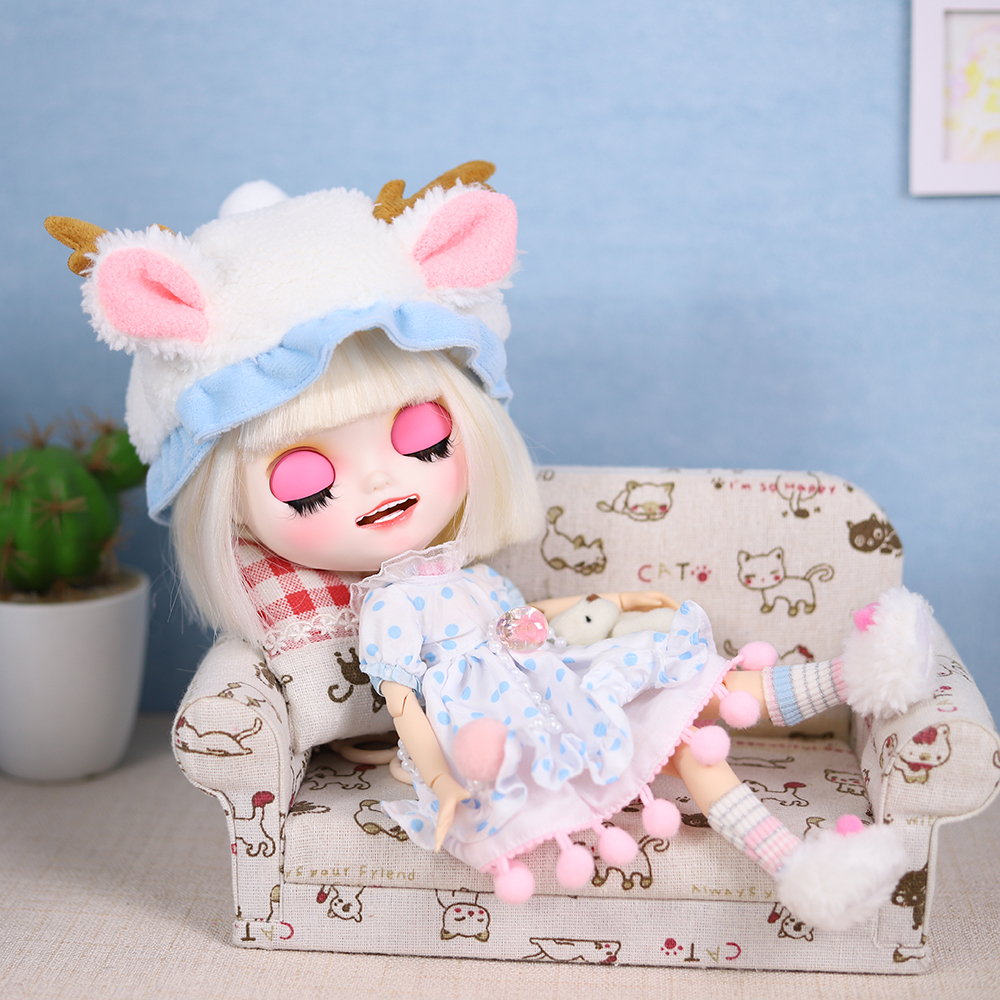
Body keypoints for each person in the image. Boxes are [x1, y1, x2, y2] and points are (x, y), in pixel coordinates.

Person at [47, 163, 934, 931]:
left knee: (695, 689)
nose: (382, 482)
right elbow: (402, 699)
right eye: (306, 482)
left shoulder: (457, 571)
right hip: (493, 725)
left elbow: (521, 620)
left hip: (550, 667)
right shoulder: (389, 609)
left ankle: (851, 679)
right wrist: (441, 774)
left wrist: (617, 608)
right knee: (689, 742)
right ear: (233, 514)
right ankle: (797, 864)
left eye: (424, 438)